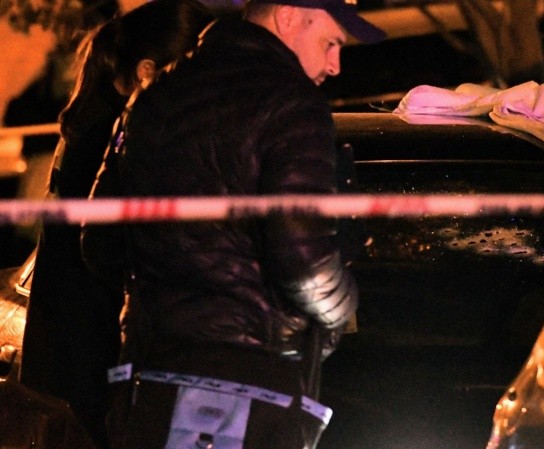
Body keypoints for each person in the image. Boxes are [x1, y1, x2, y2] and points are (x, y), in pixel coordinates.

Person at [88, 1, 385, 448]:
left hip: (150, 380)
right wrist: (342, 310)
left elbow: (99, 242)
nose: (334, 65)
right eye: (330, 43)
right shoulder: (293, 103)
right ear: (288, 15)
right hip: (248, 386)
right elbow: (304, 262)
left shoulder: (152, 97)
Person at [19, 2, 215, 448]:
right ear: (148, 72)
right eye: (193, 74)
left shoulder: (95, 128)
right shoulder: (118, 141)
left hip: (72, 370)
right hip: (95, 370)